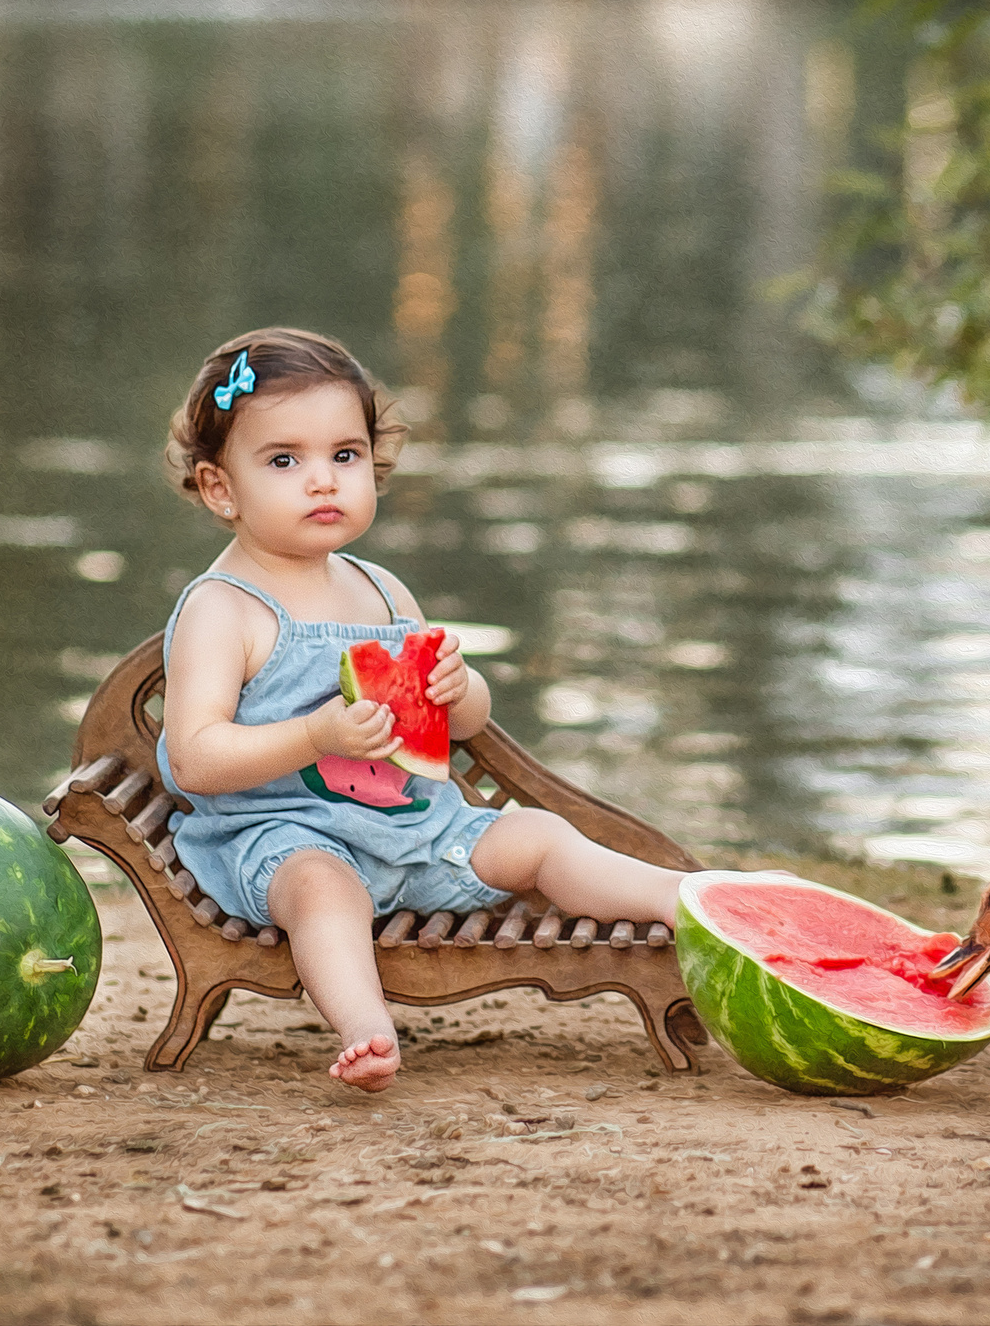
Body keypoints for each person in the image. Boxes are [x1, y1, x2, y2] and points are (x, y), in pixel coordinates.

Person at [158, 328, 690, 1091]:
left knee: (536, 835)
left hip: (419, 831)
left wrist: (457, 684)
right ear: (220, 487)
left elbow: (466, 723)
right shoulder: (225, 608)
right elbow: (196, 758)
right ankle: (365, 1025)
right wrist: (317, 733)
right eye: (284, 460)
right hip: (283, 837)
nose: (323, 481)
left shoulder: (381, 590)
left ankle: (680, 899)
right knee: (323, 888)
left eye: (344, 456)